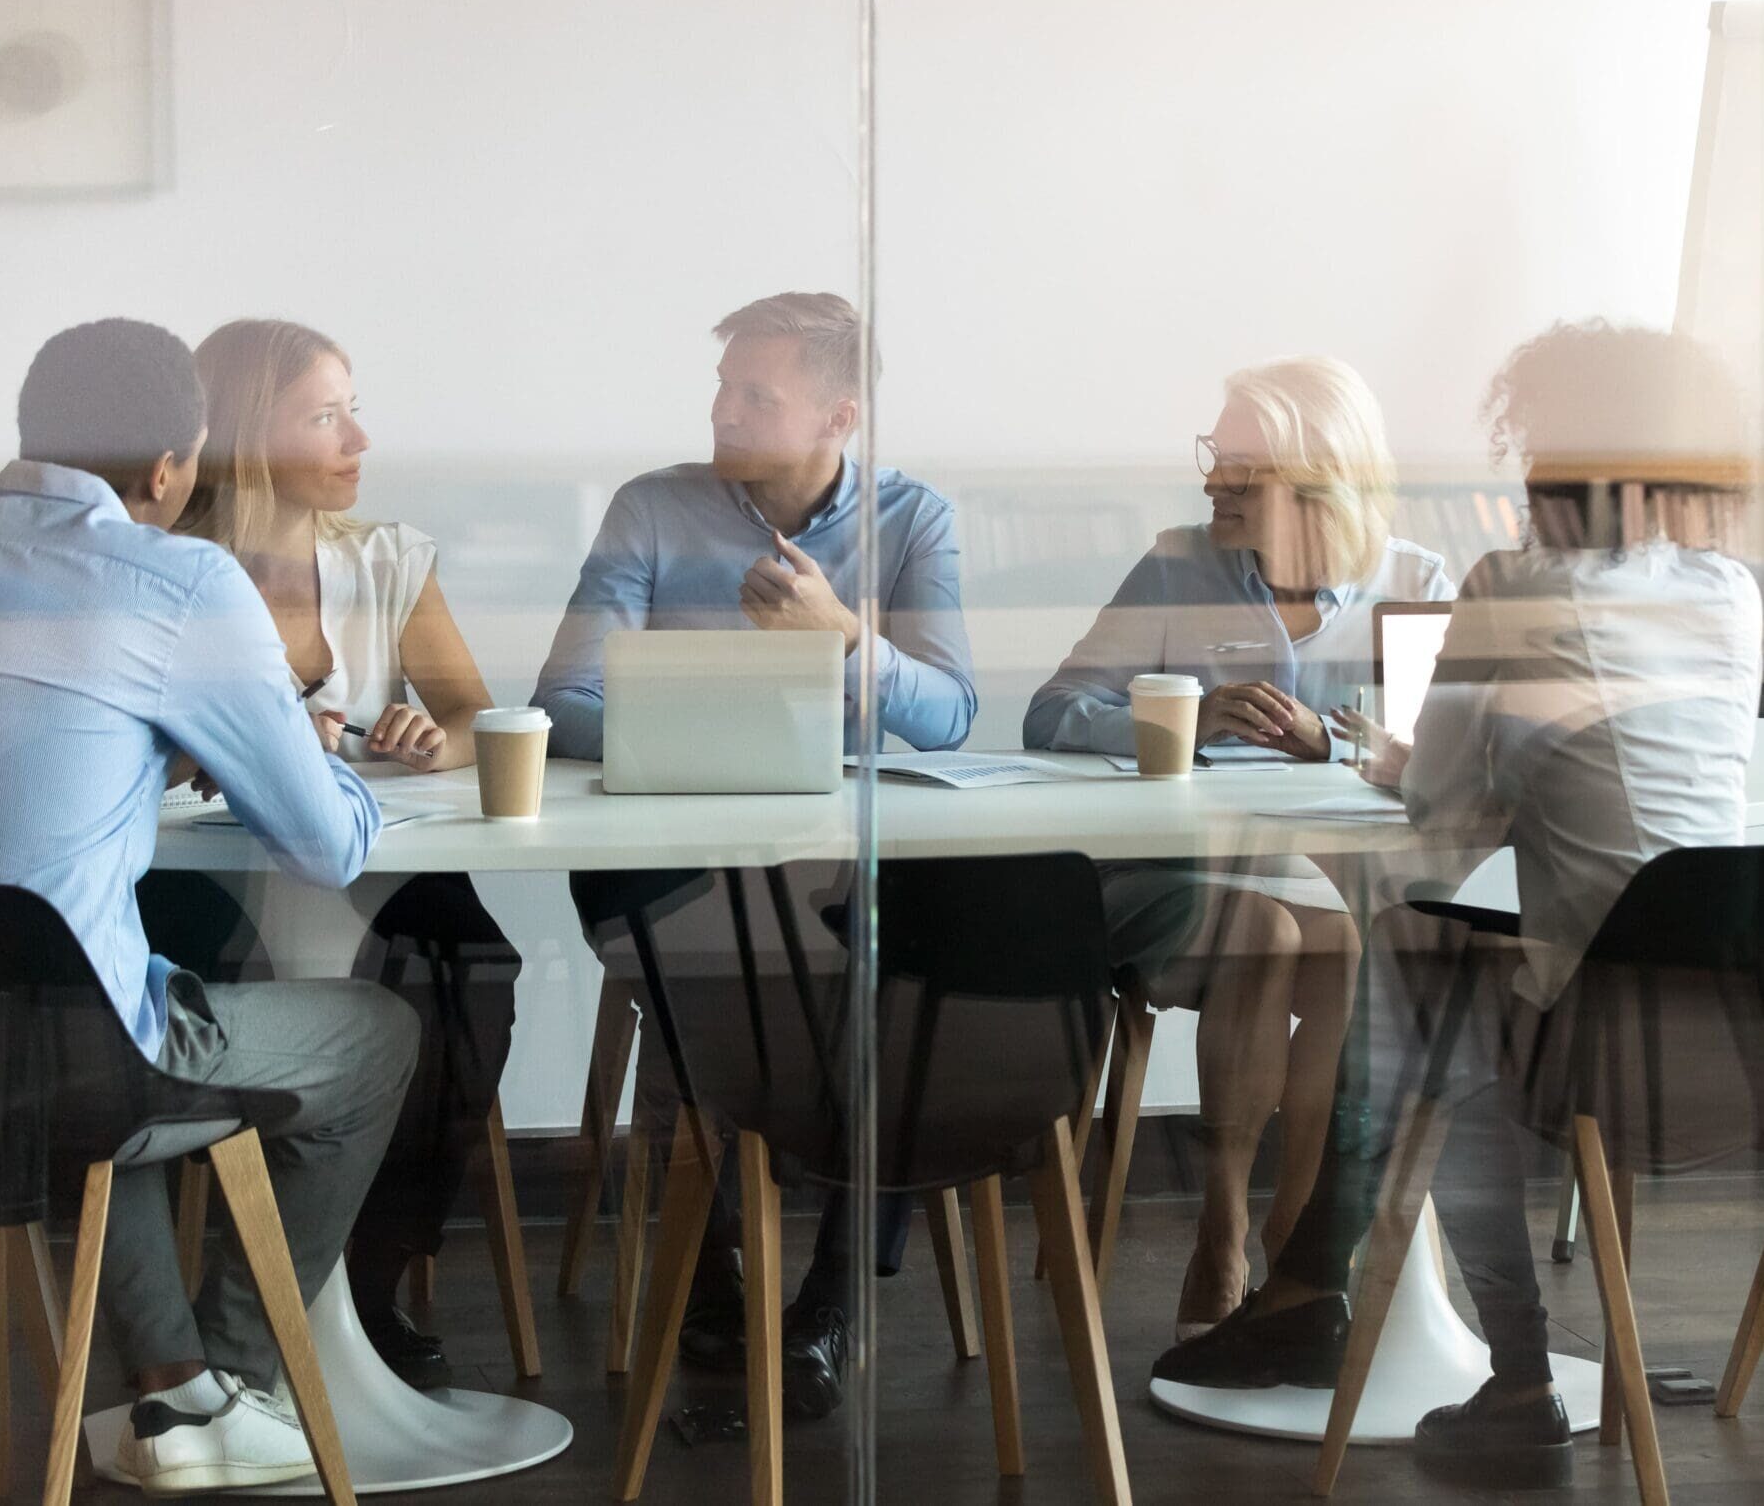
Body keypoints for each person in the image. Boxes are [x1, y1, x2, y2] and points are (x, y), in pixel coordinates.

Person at [1153, 323, 1763, 1492]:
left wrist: (1389, 759)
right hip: (1729, 1027)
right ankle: (1308, 1288)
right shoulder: (1729, 596)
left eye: (1531, 444)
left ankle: (1503, 1366)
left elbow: (1441, 819)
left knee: (1410, 977)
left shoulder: (1514, 587)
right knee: (1418, 971)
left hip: (1595, 1039)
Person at [0, 319, 418, 1494]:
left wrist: (147, 753)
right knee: (376, 1035)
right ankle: (234, 1384)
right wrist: (306, 750)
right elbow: (326, 851)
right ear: (169, 469)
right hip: (84, 1060)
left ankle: (174, 1390)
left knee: (86, 1002)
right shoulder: (176, 577)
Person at [533, 290, 977, 1418]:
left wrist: (836, 637)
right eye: (723, 385)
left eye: (754, 393)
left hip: (833, 865)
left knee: (896, 982)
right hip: (670, 858)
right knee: (720, 968)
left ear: (838, 414)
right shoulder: (651, 509)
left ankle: (830, 1299)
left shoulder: (913, 519)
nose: (722, 409)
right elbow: (564, 699)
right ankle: (709, 1273)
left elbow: (947, 715)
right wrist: (721, 709)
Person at [1024, 355, 1454, 1338]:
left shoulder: (1413, 581)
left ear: (1317, 475)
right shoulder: (1178, 564)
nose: (1212, 479)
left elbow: (1440, 763)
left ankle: (1298, 1237)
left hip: (1332, 883)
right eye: (1214, 456)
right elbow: (1052, 713)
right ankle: (1222, 1228)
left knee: (1334, 941)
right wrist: (1184, 719)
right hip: (1177, 875)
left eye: (1240, 464)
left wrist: (1335, 742)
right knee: (1269, 930)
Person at [155, 316, 516, 1390]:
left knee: (472, 983)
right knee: (290, 1014)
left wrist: (421, 737)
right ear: (246, 433)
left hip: (376, 866)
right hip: (206, 887)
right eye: (325, 416)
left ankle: (363, 1286)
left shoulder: (386, 560)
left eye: (353, 409)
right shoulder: (164, 572)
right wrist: (220, 758)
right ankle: (254, 1305)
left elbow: (469, 715)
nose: (358, 439)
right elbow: (131, 755)